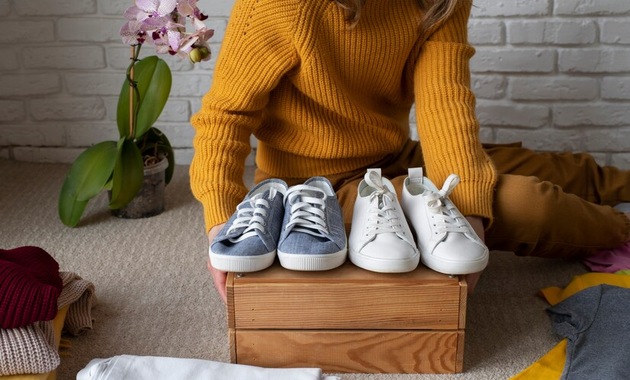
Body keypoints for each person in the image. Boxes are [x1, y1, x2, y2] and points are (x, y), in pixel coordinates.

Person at [190, 0, 630, 303]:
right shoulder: (282, 6)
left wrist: (469, 213)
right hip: (315, 192)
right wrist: (222, 228)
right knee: (526, 202)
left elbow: (446, 103)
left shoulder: (437, 3)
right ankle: (620, 230)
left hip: (396, 156)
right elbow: (224, 119)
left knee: (537, 167)